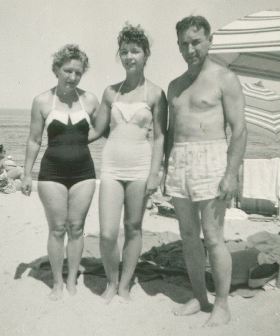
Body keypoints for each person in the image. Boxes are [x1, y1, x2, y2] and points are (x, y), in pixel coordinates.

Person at [164, 16, 247, 327]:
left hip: (211, 158)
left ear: (209, 40)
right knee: (187, 235)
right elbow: (172, 134)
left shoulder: (224, 78)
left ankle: (222, 304)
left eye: (195, 41)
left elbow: (239, 131)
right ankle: (199, 297)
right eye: (184, 43)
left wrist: (231, 173)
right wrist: (164, 169)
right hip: (179, 161)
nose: (190, 48)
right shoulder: (175, 85)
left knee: (213, 236)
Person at [90, 23, 168, 303]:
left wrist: (155, 173)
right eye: (124, 52)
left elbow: (160, 137)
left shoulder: (157, 94)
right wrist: (66, 134)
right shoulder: (110, 92)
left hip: (140, 168)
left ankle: (123, 285)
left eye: (135, 51)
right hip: (111, 167)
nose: (129, 57)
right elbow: (97, 130)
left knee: (134, 228)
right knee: (108, 232)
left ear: (146, 54)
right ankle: (111, 281)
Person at [21, 44, 100, 300]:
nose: (73, 77)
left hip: (84, 173)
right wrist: (26, 173)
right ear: (56, 69)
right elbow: (34, 139)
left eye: (78, 72)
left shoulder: (89, 100)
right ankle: (57, 282)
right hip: (51, 172)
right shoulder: (42, 101)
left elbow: (103, 128)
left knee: (76, 227)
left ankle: (72, 279)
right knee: (57, 228)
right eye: (68, 70)